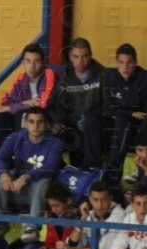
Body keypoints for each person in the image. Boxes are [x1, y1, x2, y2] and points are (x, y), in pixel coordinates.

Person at [0, 106, 65, 220]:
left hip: (39, 195)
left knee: (43, 182)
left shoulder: (54, 143)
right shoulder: (15, 137)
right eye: (31, 122)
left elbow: (50, 168)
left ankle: (32, 225)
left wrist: (26, 177)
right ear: (25, 123)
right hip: (16, 189)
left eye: (40, 122)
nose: (35, 126)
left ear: (46, 124)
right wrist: (4, 175)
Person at [50, 37, 105, 169]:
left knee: (91, 123)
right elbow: (59, 107)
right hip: (73, 124)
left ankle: (92, 169)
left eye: (84, 56)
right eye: (76, 56)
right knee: (56, 133)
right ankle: (62, 173)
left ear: (90, 55)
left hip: (98, 124)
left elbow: (108, 104)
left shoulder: (103, 75)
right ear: (70, 56)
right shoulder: (65, 80)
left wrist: (88, 119)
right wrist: (58, 123)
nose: (80, 61)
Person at [0, 43, 57, 151]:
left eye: (36, 61)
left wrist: (17, 106)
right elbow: (7, 103)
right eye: (28, 61)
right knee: (0, 116)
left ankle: (23, 153)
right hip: (24, 119)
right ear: (23, 63)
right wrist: (26, 103)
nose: (32, 66)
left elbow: (42, 104)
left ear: (43, 62)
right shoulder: (21, 79)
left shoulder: (49, 75)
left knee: (22, 115)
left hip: (48, 121)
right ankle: (1, 152)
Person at [101, 43, 147, 172]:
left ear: (135, 62)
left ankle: (115, 168)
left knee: (124, 122)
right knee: (92, 119)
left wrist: (129, 115)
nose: (125, 67)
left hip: (137, 121)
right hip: (115, 117)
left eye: (129, 63)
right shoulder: (109, 78)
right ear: (117, 62)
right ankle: (91, 167)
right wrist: (129, 113)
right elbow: (108, 107)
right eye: (121, 62)